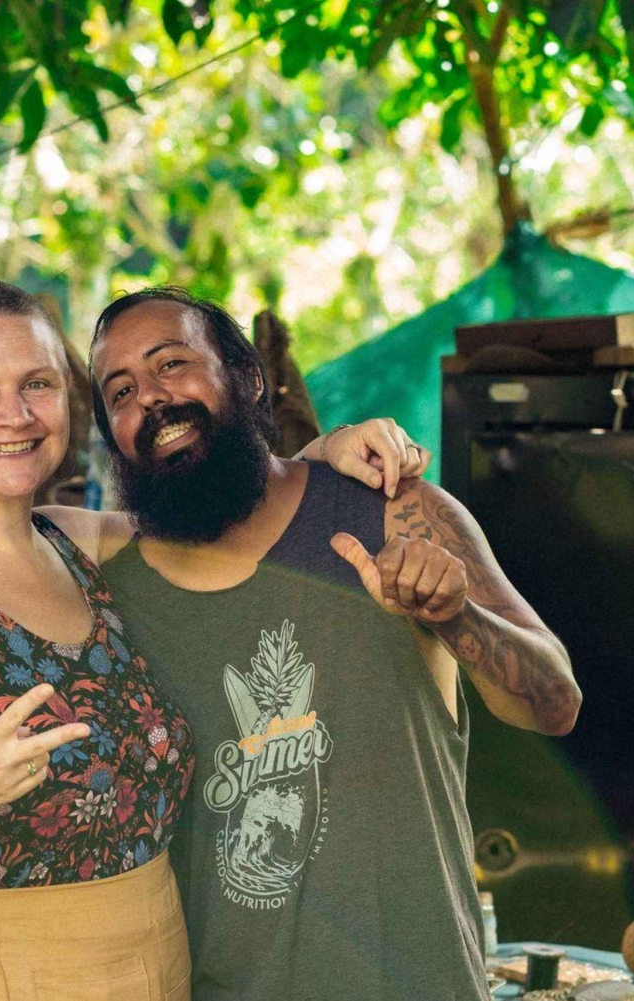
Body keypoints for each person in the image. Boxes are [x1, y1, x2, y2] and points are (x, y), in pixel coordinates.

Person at [0, 279, 429, 1001]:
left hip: (144, 969)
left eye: (38, 383)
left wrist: (320, 457)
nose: (15, 414)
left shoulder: (80, 544)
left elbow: (226, 508)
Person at [87, 287, 582, 1001]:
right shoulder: (112, 600)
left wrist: (455, 615)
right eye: (122, 391)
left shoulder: (394, 512)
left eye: (172, 364)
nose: (153, 399)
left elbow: (556, 701)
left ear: (247, 377)